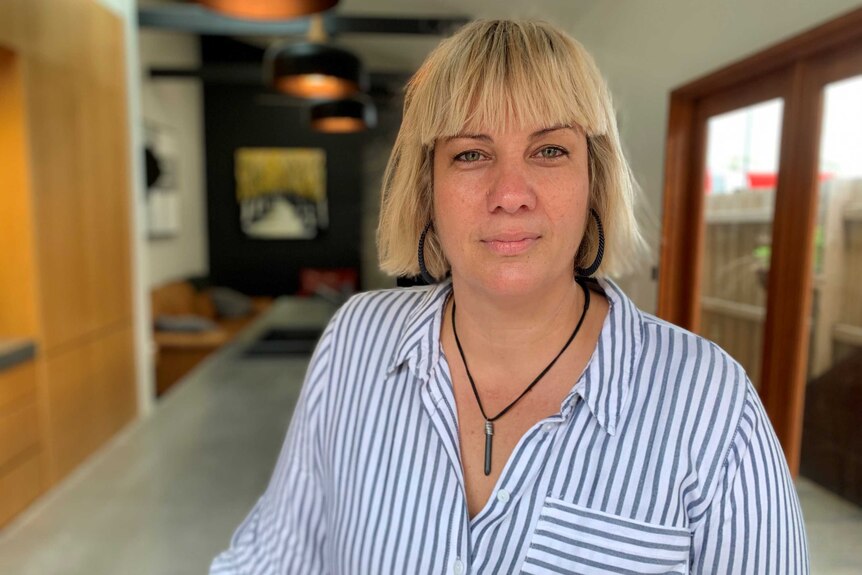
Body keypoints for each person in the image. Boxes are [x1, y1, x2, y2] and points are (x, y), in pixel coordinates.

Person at [211, 19, 809, 574]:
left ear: (593, 180)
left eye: (549, 150)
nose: (510, 193)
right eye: (471, 154)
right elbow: (275, 557)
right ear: (428, 189)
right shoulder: (357, 341)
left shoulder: (713, 407)